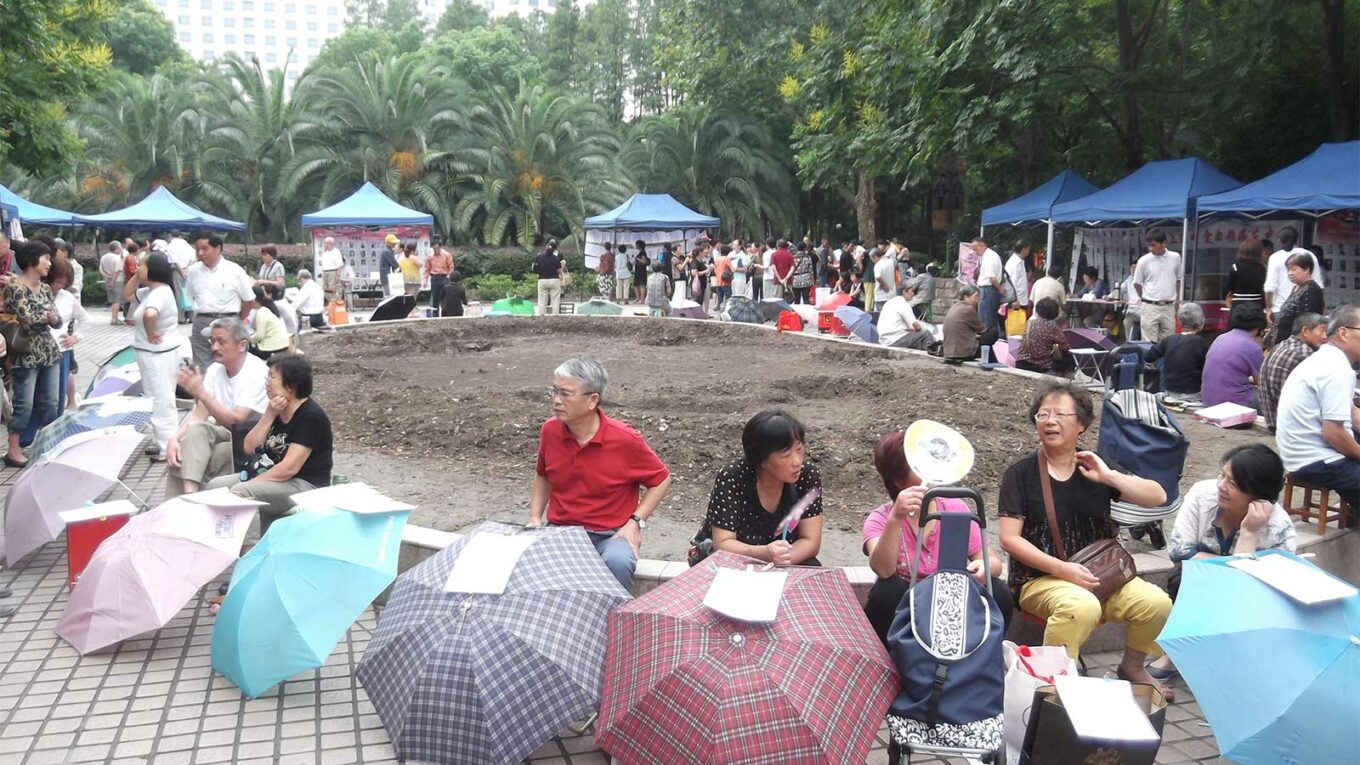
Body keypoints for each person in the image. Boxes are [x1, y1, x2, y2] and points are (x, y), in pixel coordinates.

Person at [998, 383, 1173, 696]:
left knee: (1157, 603)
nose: (1050, 421)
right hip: (1041, 579)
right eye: (1043, 415)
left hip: (1103, 575)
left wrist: (1109, 477)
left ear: (1081, 425)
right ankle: (1053, 686)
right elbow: (1010, 540)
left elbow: (1157, 496)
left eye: (1061, 414)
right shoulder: (1020, 475)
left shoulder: (1094, 465)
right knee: (1080, 605)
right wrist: (1063, 570)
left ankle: (1132, 667)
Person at [1149, 444, 1296, 680]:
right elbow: (1179, 552)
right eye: (1222, 475)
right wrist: (1234, 566)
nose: (1221, 486)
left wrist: (1248, 533)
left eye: (1233, 484)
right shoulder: (1202, 495)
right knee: (1183, 578)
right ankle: (1175, 654)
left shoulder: (1278, 527)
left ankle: (1233, 657)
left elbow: (1271, 584)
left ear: (1258, 495)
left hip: (1252, 596)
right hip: (1201, 580)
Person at [528, 358, 672, 590]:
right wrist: (535, 517)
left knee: (619, 561)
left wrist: (635, 522)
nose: (556, 400)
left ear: (592, 400)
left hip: (609, 535)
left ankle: (612, 623)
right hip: (561, 532)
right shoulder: (550, 431)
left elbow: (661, 479)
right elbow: (542, 474)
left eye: (565, 394)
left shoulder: (624, 439)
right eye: (554, 391)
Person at [862, 429, 1011, 645]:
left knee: (998, 590)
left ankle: (983, 660)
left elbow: (993, 562)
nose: (931, 471)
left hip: (952, 597)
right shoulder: (880, 518)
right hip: (908, 601)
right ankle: (891, 661)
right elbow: (883, 569)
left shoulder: (954, 508)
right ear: (897, 479)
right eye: (918, 466)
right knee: (886, 592)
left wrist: (983, 567)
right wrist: (895, 519)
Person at [208, 353, 333, 534]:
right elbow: (248, 447)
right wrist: (268, 415)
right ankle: (219, 540)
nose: (267, 382)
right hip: (271, 477)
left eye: (272, 377)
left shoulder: (310, 416)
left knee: (241, 493)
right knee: (215, 487)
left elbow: (288, 469)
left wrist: (251, 484)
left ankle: (248, 550)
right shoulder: (276, 410)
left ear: (290, 386)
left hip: (303, 485)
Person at [698, 409, 824, 568]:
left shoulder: (806, 475)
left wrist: (782, 559)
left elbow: (810, 540)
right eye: (786, 456)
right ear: (761, 460)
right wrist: (765, 553)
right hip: (737, 560)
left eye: (799, 450)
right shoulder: (733, 476)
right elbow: (723, 543)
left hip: (786, 559)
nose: (797, 461)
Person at [165, 318, 269, 497]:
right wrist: (173, 440)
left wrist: (201, 393)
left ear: (242, 345)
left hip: (249, 438)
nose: (214, 347)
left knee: (206, 454)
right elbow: (199, 414)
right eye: (212, 341)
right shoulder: (215, 370)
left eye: (221, 342)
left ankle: (190, 502)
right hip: (222, 433)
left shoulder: (256, 370)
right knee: (187, 441)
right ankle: (190, 498)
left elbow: (236, 422)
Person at [1275, 305, 1360, 514]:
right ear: (1343, 333)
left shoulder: (1326, 359)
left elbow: (1352, 414)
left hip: (1300, 453)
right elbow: (1333, 433)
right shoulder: (1337, 370)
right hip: (1315, 460)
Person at [4, 241, 63, 466]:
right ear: (31, 261)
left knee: (50, 403)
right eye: (45, 258)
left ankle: (46, 445)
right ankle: (13, 450)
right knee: (24, 404)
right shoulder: (15, 287)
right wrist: (46, 318)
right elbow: (26, 319)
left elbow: (57, 320)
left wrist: (50, 318)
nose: (49, 263)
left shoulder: (46, 288)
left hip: (48, 352)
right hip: (25, 353)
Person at [124, 253, 182, 460]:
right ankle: (163, 442)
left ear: (153, 269)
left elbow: (150, 315)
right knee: (158, 398)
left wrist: (150, 333)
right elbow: (128, 294)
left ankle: (168, 447)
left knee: (161, 400)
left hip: (158, 355)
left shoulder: (158, 294)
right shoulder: (151, 291)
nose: (138, 268)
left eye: (142, 265)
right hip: (153, 355)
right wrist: (137, 275)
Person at [185, 234, 255, 372]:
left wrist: (237, 319)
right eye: (197, 249)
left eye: (205, 249)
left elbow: (249, 300)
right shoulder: (193, 271)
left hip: (228, 321)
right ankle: (204, 392)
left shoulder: (234, 270)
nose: (200, 253)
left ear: (218, 248)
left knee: (229, 362)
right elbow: (192, 295)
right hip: (201, 321)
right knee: (201, 364)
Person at [1259, 312, 1327, 432]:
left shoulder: (1281, 346)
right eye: (1322, 331)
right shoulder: (1305, 354)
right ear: (1305, 331)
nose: (1325, 336)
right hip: (1291, 425)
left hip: (1273, 419)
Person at [1201, 302, 1266, 410]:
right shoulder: (1253, 347)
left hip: (1208, 401)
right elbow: (1263, 382)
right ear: (1259, 326)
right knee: (1271, 398)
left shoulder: (1220, 338)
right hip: (1234, 405)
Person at [43, 260, 85, 417]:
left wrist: (76, 337)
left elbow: (85, 318)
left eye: (64, 282)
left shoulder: (67, 296)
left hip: (62, 349)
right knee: (45, 395)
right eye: (57, 281)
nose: (59, 285)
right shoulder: (39, 293)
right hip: (42, 350)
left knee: (58, 395)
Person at [1147, 303, 1209, 400]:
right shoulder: (1199, 342)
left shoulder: (1169, 340)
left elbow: (1149, 356)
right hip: (1193, 394)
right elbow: (1206, 368)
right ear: (1200, 324)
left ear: (1179, 322)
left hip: (1170, 392)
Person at [1265, 251, 1325, 347]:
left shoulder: (1311, 290)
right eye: (1288, 270)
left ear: (1306, 269)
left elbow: (1307, 322)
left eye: (1294, 269)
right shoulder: (1297, 287)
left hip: (1295, 346)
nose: (1290, 273)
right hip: (1283, 343)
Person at [1264, 227, 1324, 321]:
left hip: (1281, 309)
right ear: (1297, 239)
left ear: (1279, 240)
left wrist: (1268, 308)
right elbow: (1319, 286)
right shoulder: (1309, 255)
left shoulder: (1275, 258)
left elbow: (1269, 288)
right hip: (1306, 310)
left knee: (1282, 335)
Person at [1133, 231, 1183, 343]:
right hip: (1150, 306)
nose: (1151, 248)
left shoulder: (1175, 257)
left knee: (1168, 339)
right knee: (1149, 341)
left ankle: (1164, 361)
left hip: (1169, 305)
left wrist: (1178, 299)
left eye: (1154, 245)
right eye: (1149, 245)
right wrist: (1144, 298)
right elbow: (1137, 283)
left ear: (1163, 243)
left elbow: (1178, 279)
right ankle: (1150, 361)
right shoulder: (1143, 261)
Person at [1015, 298, 1074, 377]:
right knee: (1069, 359)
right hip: (1041, 366)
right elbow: (1066, 347)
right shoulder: (1052, 327)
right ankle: (1064, 380)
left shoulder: (1029, 323)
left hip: (1022, 362)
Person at [942, 284, 994, 361]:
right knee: (993, 333)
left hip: (949, 352)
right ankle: (991, 360)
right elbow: (982, 330)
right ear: (966, 296)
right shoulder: (968, 309)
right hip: (962, 353)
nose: (977, 300)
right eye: (975, 297)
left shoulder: (954, 307)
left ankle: (991, 360)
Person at [878, 282, 933, 350]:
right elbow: (917, 327)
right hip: (894, 339)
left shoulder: (890, 302)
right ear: (904, 292)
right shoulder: (903, 304)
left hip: (885, 340)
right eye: (911, 291)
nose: (913, 294)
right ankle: (929, 354)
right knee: (926, 333)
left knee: (917, 341)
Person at [1223, 238, 1267, 315]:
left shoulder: (1235, 267)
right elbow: (1263, 288)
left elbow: (1227, 287)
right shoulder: (1262, 268)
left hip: (1238, 305)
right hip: (1257, 305)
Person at [249, 285, 291, 360]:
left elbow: (259, 335)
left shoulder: (262, 312)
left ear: (253, 300)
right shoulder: (267, 309)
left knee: (246, 348)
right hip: (283, 345)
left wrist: (248, 339)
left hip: (273, 348)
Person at [972, 238, 1005, 335]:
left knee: (985, 320)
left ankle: (986, 341)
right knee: (990, 318)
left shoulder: (989, 257)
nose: (975, 252)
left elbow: (992, 278)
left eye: (975, 249)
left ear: (982, 245)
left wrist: (1000, 289)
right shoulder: (989, 256)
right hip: (989, 289)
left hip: (988, 290)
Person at [533, 240, 565, 316]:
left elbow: (534, 267)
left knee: (542, 299)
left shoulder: (539, 256)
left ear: (545, 248)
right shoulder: (556, 258)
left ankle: (542, 315)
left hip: (542, 280)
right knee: (555, 299)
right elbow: (559, 271)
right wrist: (563, 266)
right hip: (554, 280)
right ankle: (555, 315)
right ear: (554, 249)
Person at [1004, 241, 1032, 318]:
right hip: (1017, 301)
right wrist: (1014, 300)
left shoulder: (1020, 261)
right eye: (1028, 249)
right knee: (1015, 326)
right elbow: (1011, 282)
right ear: (1024, 249)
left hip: (1021, 300)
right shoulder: (1014, 263)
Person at [425, 239, 454, 310]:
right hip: (435, 278)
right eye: (434, 248)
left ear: (440, 247)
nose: (436, 250)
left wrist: (448, 277)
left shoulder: (446, 255)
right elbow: (427, 269)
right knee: (435, 297)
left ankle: (446, 312)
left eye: (437, 248)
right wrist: (425, 280)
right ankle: (435, 314)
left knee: (446, 296)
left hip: (444, 277)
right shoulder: (429, 257)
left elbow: (451, 267)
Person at [100, 241, 123, 325]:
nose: (121, 249)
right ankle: (114, 319)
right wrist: (112, 282)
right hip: (117, 281)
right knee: (116, 300)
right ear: (116, 248)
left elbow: (101, 270)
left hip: (107, 280)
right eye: (120, 247)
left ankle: (114, 318)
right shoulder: (117, 258)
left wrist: (107, 278)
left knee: (112, 300)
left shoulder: (103, 257)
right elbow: (116, 272)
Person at [319, 236, 344, 304]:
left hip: (333, 271)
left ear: (332, 244)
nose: (325, 245)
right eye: (324, 243)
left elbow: (340, 264)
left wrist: (338, 274)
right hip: (325, 272)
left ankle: (335, 303)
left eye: (327, 243)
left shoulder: (336, 252)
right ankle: (330, 303)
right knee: (325, 289)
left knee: (332, 288)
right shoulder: (325, 252)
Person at [871, 243, 896, 312]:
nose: (872, 261)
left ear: (875, 257)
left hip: (881, 295)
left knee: (880, 316)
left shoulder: (878, 265)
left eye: (872, 259)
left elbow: (877, 276)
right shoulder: (891, 262)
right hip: (892, 293)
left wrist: (883, 284)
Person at [711, 244, 735, 309]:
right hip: (726, 282)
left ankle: (719, 309)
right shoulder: (727, 259)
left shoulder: (716, 260)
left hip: (718, 282)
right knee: (728, 299)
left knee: (720, 298)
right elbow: (732, 269)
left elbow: (715, 271)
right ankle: (726, 310)